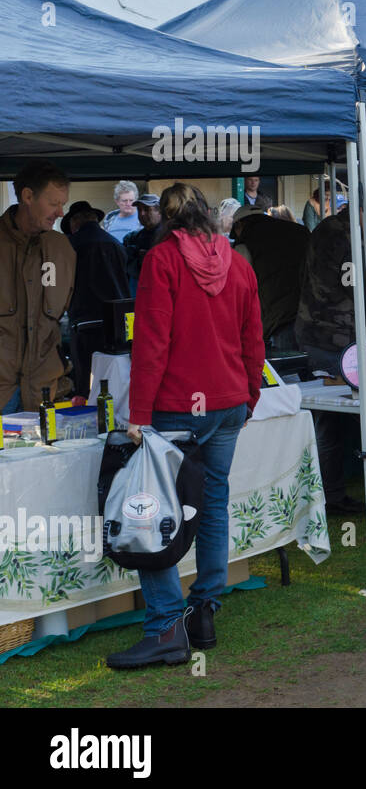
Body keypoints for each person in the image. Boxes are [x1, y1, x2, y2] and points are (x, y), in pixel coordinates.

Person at [109, 183, 263, 669]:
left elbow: (151, 342)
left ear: (167, 220)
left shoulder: (163, 261)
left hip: (179, 405)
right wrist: (250, 394)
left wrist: (138, 413)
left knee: (150, 511)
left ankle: (166, 628)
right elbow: (253, 338)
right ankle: (203, 612)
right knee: (213, 503)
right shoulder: (238, 263)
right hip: (227, 401)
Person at [296, 185, 366, 515]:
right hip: (328, 340)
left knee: (333, 425)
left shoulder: (333, 230)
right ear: (362, 210)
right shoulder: (346, 238)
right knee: (328, 424)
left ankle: (331, 495)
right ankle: (330, 498)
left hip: (326, 335)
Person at [1, 161, 74, 414]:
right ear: (28, 196)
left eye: (63, 204)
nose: (61, 213)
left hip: (46, 393)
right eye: (54, 204)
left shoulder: (62, 249)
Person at [63, 200, 130, 397]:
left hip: (84, 323)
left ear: (76, 222)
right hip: (117, 325)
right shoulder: (116, 244)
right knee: (114, 383)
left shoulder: (70, 245)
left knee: (85, 386)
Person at [232, 208, 310, 346]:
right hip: (310, 310)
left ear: (239, 225)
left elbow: (241, 289)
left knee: (286, 365)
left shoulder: (245, 243)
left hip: (279, 318)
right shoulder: (298, 230)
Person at [123, 193, 164, 293]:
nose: (142, 214)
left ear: (159, 211)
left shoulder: (166, 235)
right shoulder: (133, 237)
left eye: (146, 209)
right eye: (139, 210)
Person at [101, 179, 142, 244]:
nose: (128, 204)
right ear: (117, 201)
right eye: (124, 201)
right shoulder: (109, 219)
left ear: (136, 200)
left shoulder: (143, 218)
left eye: (131, 200)